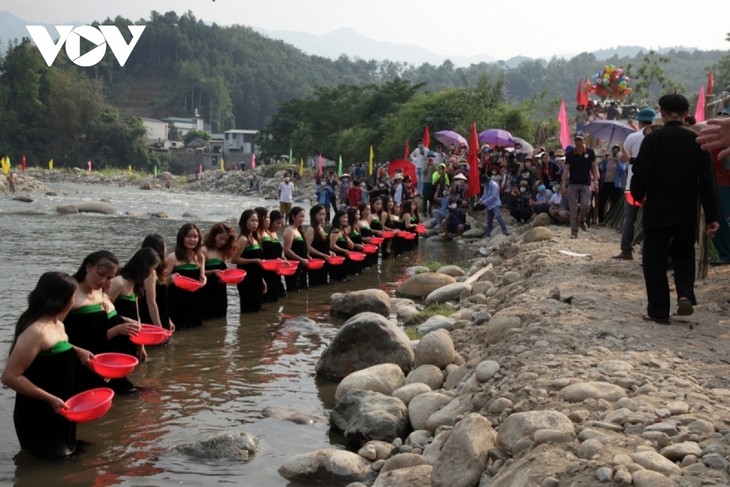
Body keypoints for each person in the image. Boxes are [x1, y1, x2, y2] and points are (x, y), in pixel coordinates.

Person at [630, 93, 720, 324]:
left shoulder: (652, 140)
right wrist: (712, 217)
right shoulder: (697, 141)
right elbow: (707, 181)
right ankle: (685, 294)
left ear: (661, 112)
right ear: (686, 114)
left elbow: (641, 174)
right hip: (686, 210)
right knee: (683, 253)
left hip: (658, 209)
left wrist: (639, 196)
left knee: (654, 260)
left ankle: (658, 310)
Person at [1, 272, 95, 459]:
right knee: (57, 466)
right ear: (60, 299)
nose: (75, 300)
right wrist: (50, 399)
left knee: (72, 456)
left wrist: (78, 351)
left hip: (60, 408)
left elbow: (56, 347)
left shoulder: (57, 324)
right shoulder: (36, 331)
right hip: (39, 412)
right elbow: (10, 376)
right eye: (72, 296)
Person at [613, 108, 656, 260]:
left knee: (629, 219)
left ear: (639, 121)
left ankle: (626, 250)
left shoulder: (632, 137)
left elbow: (626, 156)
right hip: (653, 186)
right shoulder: (657, 136)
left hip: (632, 184)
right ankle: (648, 252)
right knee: (651, 219)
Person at [166, 223, 206, 330]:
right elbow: (161, 283)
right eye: (188, 236)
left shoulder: (200, 257)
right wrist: (171, 278)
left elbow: (202, 276)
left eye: (195, 237)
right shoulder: (172, 258)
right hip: (176, 302)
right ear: (181, 238)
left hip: (195, 301)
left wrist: (204, 279)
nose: (192, 239)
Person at [562, 134, 597, 238]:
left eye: (580, 140)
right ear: (574, 141)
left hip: (585, 183)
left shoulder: (590, 152)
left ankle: (581, 219)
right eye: (576, 140)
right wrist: (563, 184)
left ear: (583, 140)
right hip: (573, 184)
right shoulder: (570, 154)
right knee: (573, 209)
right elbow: (566, 169)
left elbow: (593, 167)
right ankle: (574, 232)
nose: (578, 142)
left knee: (586, 205)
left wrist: (596, 181)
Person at [200, 223, 238, 319]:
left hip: (221, 290)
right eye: (221, 238)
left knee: (221, 318)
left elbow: (223, 271)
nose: (223, 242)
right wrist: (213, 272)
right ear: (214, 235)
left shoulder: (223, 252)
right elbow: (197, 273)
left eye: (225, 240)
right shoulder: (204, 250)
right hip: (207, 291)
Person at [138, 234, 175, 331]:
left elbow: (161, 298)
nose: (166, 250)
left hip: (161, 315)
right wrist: (159, 328)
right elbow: (151, 302)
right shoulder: (150, 272)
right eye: (165, 247)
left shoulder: (157, 269)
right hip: (152, 318)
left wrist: (168, 319)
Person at [233, 209, 267, 313]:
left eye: (256, 221)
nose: (255, 223)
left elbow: (258, 261)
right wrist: (253, 260)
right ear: (244, 222)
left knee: (257, 308)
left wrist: (262, 280)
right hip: (247, 279)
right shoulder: (243, 239)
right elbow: (234, 259)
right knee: (248, 308)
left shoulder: (255, 238)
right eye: (252, 221)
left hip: (256, 277)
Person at [282, 206, 309, 292]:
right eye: (300, 216)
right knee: (293, 289)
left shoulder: (298, 230)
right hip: (293, 265)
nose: (302, 219)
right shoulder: (289, 230)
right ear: (293, 217)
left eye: (303, 217)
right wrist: (301, 259)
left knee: (302, 289)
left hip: (302, 264)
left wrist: (307, 256)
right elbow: (287, 250)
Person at [305, 205, 332, 286]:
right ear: (314, 215)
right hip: (315, 262)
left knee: (324, 284)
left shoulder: (321, 228)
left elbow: (321, 245)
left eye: (324, 214)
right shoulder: (311, 229)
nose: (322, 217)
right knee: (316, 284)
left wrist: (329, 252)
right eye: (320, 214)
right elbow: (308, 248)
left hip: (324, 261)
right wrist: (323, 255)